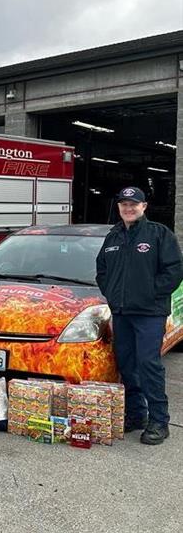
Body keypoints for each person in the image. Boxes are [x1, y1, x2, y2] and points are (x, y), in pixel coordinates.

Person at [96, 186, 183, 445]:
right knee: (126, 364)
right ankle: (136, 415)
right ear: (119, 207)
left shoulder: (158, 234)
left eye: (134, 204)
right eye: (124, 204)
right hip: (122, 312)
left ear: (143, 206)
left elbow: (175, 270)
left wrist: (150, 294)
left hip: (149, 314)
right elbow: (101, 270)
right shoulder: (112, 237)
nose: (128, 208)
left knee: (148, 365)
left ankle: (159, 421)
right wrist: (111, 293)